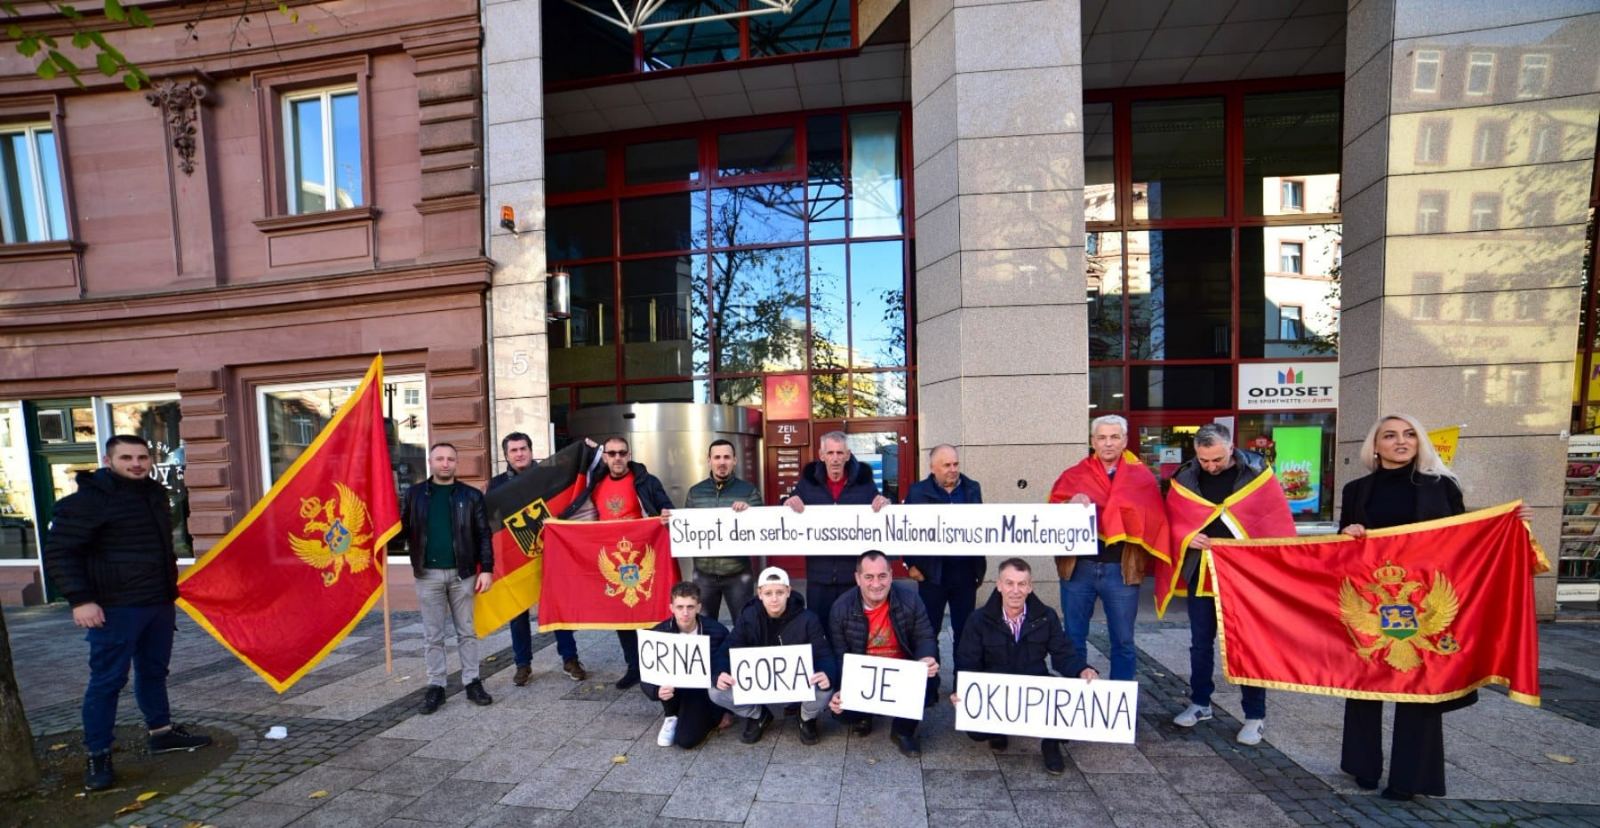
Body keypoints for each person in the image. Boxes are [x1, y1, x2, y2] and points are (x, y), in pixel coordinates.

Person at [43, 435, 213, 792]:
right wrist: (80, 599)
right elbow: (61, 553)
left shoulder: (154, 495)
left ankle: (161, 733)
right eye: (126, 458)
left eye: (142, 457)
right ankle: (99, 755)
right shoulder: (88, 500)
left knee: (154, 672)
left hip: (157, 603)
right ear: (108, 460)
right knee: (107, 681)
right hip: (115, 607)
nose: (136, 463)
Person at [1338, 414, 1471, 802]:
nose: (1401, 441)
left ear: (1420, 442)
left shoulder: (1442, 487)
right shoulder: (1356, 490)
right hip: (1372, 602)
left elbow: (1467, 539)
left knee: (1420, 690)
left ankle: (1410, 778)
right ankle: (1363, 766)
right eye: (1391, 435)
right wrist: (1347, 534)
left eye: (1410, 434)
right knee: (1364, 687)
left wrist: (1512, 524)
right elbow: (1341, 554)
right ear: (1375, 446)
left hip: (1425, 606)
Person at [1162, 423, 1295, 746]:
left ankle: (1254, 715)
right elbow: (1172, 520)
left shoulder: (1258, 473)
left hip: (1247, 573)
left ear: (1231, 447)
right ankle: (1200, 703)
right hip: (1202, 569)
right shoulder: (1185, 476)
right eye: (1204, 460)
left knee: (1249, 643)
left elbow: (1274, 519)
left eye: (1217, 459)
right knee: (1200, 642)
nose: (1210, 466)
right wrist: (1187, 537)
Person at [1049, 414, 1170, 681]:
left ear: (1125, 440)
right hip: (1078, 568)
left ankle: (1119, 706)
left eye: (1115, 437)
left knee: (1124, 641)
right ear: (1093, 441)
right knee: (1073, 638)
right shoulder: (1073, 475)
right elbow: (1051, 516)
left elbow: (1154, 521)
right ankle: (1075, 699)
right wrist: (1068, 503)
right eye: (1102, 437)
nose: (1108, 443)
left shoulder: (1143, 478)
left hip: (1122, 570)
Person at [952, 558, 1098, 775]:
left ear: (1030, 587)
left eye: (1022, 584)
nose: (1015, 590)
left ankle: (1050, 743)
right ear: (999, 585)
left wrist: (1082, 670)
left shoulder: (1046, 617)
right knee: (975, 731)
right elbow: (967, 661)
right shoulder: (979, 619)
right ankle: (997, 731)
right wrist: (961, 690)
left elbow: (1063, 653)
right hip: (996, 688)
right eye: (1009, 583)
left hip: (1034, 683)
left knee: (1067, 703)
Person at [561, 435, 674, 689]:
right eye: (611, 454)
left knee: (649, 616)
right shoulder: (595, 484)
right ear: (605, 457)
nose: (617, 458)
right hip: (610, 562)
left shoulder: (645, 481)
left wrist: (667, 513)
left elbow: (667, 508)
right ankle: (633, 667)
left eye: (622, 453)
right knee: (621, 618)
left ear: (629, 455)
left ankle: (655, 666)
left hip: (646, 559)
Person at [400, 442, 495, 714]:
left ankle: (472, 681)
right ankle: (436, 686)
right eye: (439, 458)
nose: (445, 463)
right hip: (427, 575)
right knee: (433, 635)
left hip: (462, 574)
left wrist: (486, 568)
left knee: (466, 632)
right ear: (430, 461)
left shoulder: (471, 495)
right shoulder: (415, 494)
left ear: (456, 463)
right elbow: (402, 530)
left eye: (450, 459)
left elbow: (483, 535)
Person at [490, 432, 589, 686]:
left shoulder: (549, 475)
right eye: (513, 450)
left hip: (552, 554)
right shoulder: (497, 485)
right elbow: (490, 525)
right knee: (518, 612)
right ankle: (522, 664)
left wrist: (587, 452)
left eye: (523, 448)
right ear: (506, 455)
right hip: (517, 559)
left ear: (531, 451)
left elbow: (574, 485)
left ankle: (570, 659)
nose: (519, 454)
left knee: (559, 608)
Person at [827, 550, 939, 758]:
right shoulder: (840, 608)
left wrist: (926, 657)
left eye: (882, 576)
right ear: (857, 578)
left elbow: (925, 637)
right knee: (839, 712)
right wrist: (841, 689)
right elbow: (840, 656)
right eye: (869, 577)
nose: (876, 584)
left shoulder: (910, 599)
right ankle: (863, 716)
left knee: (929, 682)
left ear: (891, 574)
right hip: (864, 678)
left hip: (900, 672)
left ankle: (902, 730)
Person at [785, 431, 890, 647]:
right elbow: (787, 511)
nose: (835, 458)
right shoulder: (807, 483)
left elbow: (880, 512)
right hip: (818, 575)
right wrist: (789, 501)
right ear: (821, 455)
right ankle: (824, 673)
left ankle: (849, 672)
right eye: (830, 452)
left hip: (851, 575)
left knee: (852, 630)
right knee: (818, 631)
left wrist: (884, 503)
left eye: (839, 453)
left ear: (848, 455)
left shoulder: (864, 483)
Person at [711, 566, 836, 745]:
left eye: (779, 592)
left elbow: (825, 655)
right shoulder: (748, 617)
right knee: (715, 691)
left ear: (788, 592)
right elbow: (726, 651)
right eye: (768, 593)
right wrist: (720, 672)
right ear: (759, 593)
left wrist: (827, 673)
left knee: (825, 688)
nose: (774, 598)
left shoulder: (808, 619)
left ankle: (806, 717)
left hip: (797, 686)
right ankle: (758, 715)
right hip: (760, 685)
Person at [902, 444, 985, 664]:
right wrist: (910, 564)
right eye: (946, 465)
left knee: (965, 632)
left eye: (955, 464)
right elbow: (904, 530)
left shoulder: (972, 488)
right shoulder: (917, 492)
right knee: (928, 633)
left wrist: (979, 568)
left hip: (965, 571)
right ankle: (929, 686)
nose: (953, 469)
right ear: (933, 468)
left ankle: (963, 684)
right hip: (931, 573)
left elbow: (983, 526)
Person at [641, 582, 731, 749]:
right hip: (673, 691)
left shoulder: (717, 631)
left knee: (686, 740)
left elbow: (725, 663)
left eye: (690, 607)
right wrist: (655, 691)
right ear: (671, 608)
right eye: (680, 607)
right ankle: (671, 716)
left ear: (698, 607)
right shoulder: (658, 633)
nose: (685, 613)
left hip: (702, 690)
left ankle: (713, 715)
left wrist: (718, 677)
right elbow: (646, 672)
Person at [684, 439, 760, 622]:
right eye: (717, 457)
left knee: (745, 625)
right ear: (709, 460)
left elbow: (761, 528)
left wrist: (749, 511)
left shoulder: (749, 491)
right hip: (704, 574)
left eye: (727, 457)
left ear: (735, 460)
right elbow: (685, 530)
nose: (722, 462)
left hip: (738, 573)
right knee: (704, 627)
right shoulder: (695, 492)